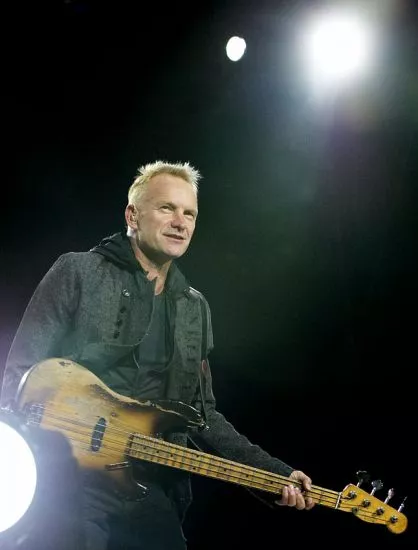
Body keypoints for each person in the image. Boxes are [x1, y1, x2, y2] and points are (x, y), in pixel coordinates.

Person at [0, 160, 314, 549]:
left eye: (189, 214)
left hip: (149, 490)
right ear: (132, 215)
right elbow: (17, 376)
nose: (180, 223)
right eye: (167, 208)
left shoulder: (194, 308)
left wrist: (275, 474)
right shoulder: (77, 272)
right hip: (68, 486)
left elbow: (203, 417)